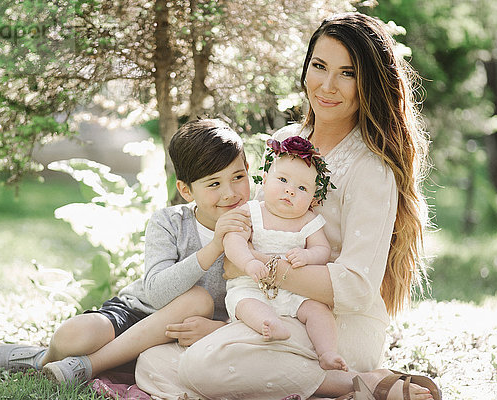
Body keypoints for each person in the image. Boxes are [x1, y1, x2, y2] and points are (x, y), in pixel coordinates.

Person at [133, 12, 441, 400]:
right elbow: (253, 231)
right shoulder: (285, 141)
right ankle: (327, 388)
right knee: (152, 365)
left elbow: (357, 286)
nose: (327, 86)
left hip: (332, 322)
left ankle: (364, 381)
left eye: (347, 73)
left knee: (200, 366)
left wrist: (269, 271)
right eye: (319, 66)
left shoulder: (371, 168)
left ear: (369, 84)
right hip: (265, 307)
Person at [0, 118, 252, 384]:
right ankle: (43, 359)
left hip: (188, 332)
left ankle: (87, 366)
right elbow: (156, 293)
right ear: (186, 190)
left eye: (238, 177)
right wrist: (216, 245)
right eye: (214, 183)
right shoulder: (169, 222)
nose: (230, 193)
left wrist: (219, 328)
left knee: (198, 302)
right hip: (139, 313)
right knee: (73, 336)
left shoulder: (263, 226)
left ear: (248, 169)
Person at [223, 135, 347, 372]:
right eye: (283, 180)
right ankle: (267, 323)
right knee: (245, 303)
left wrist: (308, 257)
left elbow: (322, 249)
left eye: (302, 188)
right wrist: (248, 262)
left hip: (295, 289)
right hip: (252, 283)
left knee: (318, 310)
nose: (290, 191)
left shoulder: (308, 220)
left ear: (313, 197)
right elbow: (233, 241)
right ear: (265, 180)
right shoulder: (252, 211)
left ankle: (327, 352)